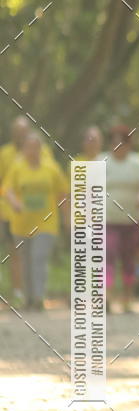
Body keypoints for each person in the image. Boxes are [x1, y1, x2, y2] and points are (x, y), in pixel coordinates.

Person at [3, 131, 68, 310]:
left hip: (46, 223)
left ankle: (39, 297)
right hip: (21, 224)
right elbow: (6, 189)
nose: (32, 151)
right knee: (25, 261)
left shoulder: (51, 168)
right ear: (24, 149)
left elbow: (62, 193)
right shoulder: (17, 167)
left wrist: (67, 218)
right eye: (28, 147)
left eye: (35, 147)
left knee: (38, 257)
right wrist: (15, 202)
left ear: (41, 149)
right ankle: (28, 299)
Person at [0, 116, 54, 305]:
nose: (20, 135)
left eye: (24, 131)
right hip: (10, 213)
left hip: (41, 216)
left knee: (37, 255)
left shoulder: (43, 150)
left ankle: (36, 295)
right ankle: (18, 293)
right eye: (17, 131)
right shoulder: (5, 153)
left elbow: (51, 177)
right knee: (16, 254)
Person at [105, 125, 139, 312]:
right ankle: (107, 296)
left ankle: (128, 297)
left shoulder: (137, 162)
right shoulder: (103, 161)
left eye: (122, 142)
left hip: (131, 219)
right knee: (107, 254)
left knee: (128, 258)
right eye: (114, 142)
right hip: (107, 219)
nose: (118, 146)